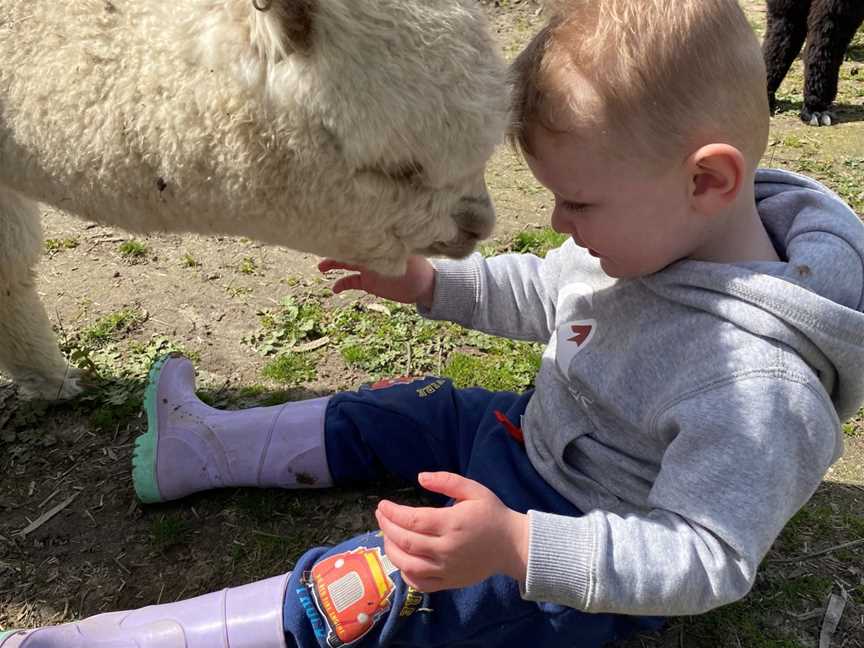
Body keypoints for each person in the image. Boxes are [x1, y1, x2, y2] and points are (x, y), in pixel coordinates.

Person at [3, 0, 864, 646]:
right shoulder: (656, 232)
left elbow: (706, 556)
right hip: (536, 435)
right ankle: (205, 446)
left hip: (579, 554)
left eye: (579, 201)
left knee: (373, 591)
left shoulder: (760, 392)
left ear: (707, 180)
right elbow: (546, 295)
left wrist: (522, 547)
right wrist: (426, 283)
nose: (560, 225)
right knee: (418, 408)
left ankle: (100, 639)